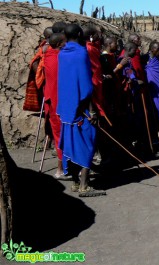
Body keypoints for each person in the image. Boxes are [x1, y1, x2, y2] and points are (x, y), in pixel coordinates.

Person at [57, 23, 103, 196]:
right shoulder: (81, 53)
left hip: (67, 108)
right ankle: (84, 186)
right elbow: (85, 85)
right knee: (87, 144)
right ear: (78, 34)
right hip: (81, 108)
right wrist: (91, 111)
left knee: (72, 144)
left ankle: (76, 183)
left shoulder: (62, 53)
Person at [43, 32, 67, 178]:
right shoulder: (59, 58)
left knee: (59, 134)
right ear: (58, 44)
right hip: (58, 103)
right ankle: (61, 168)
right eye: (65, 41)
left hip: (53, 101)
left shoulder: (48, 55)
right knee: (61, 135)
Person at [23, 27, 54, 111]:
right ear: (48, 36)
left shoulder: (45, 46)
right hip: (46, 76)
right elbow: (34, 62)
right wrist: (42, 74)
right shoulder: (46, 47)